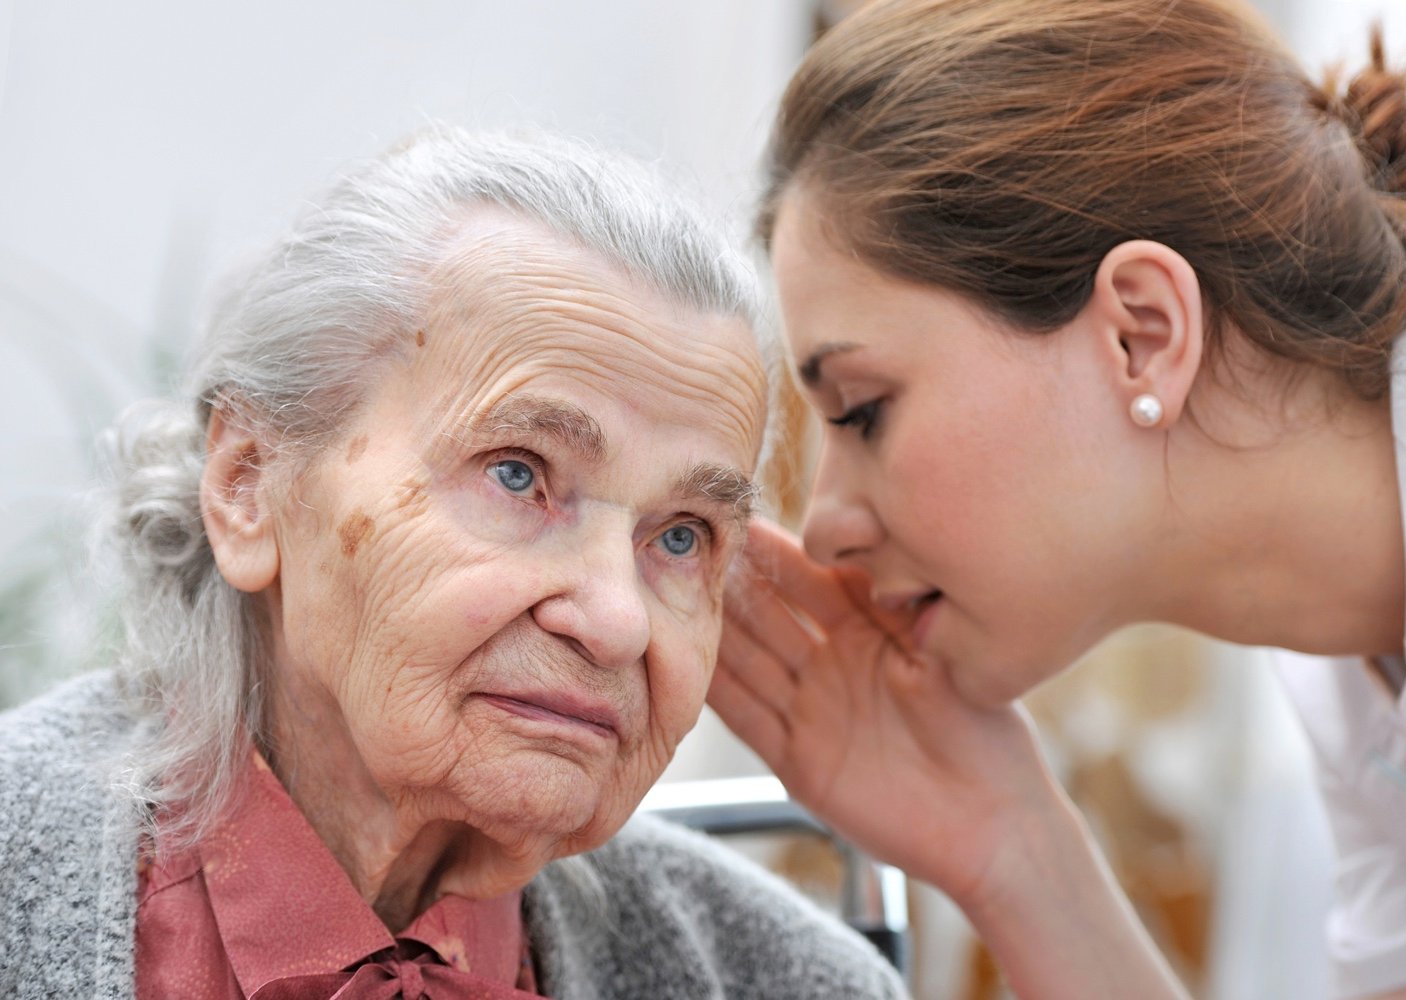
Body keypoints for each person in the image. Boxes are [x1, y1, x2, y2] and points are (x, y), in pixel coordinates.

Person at [0, 126, 907, 1000]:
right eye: (519, 475)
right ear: (250, 485)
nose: (618, 619)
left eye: (682, 535)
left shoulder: (786, 978)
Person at [708, 0, 1406, 997]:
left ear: (1144, 332)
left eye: (864, 411)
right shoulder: (1354, 675)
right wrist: (1016, 849)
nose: (823, 528)